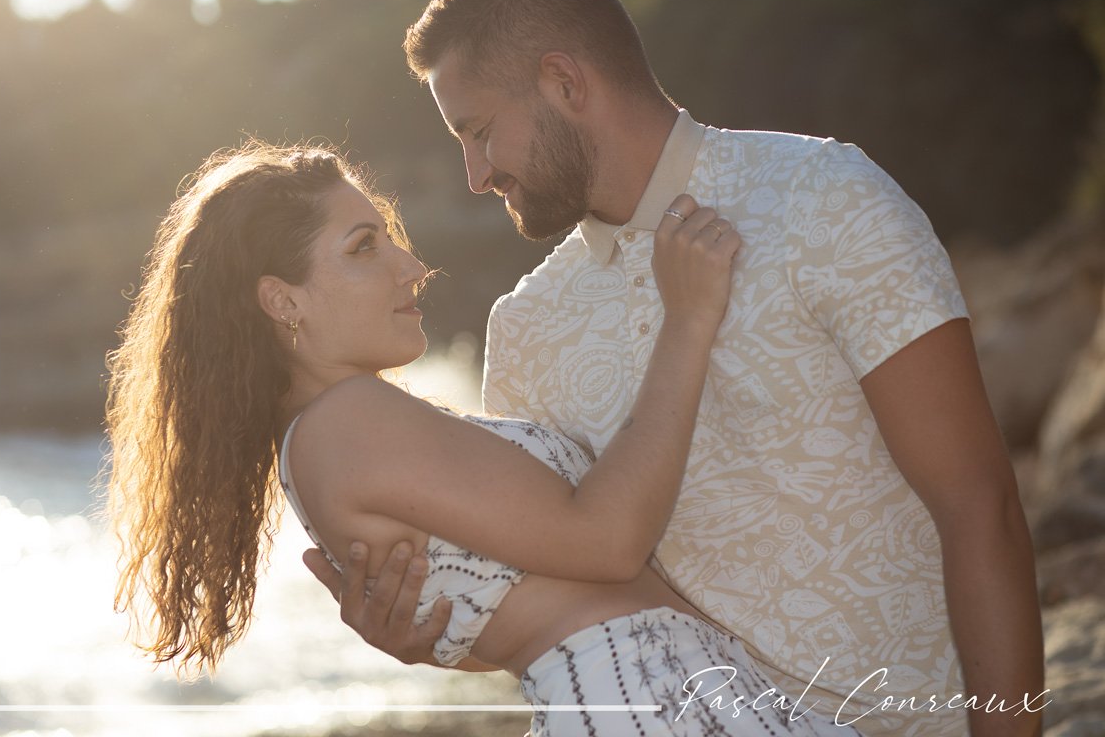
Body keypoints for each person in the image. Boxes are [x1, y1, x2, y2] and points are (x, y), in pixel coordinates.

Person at [303, 0, 1046, 736]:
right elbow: (581, 602)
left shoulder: (824, 200)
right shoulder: (526, 327)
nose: (475, 175)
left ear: (564, 82)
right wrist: (434, 634)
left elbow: (979, 505)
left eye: (480, 131)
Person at [105, 140, 863, 735]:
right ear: (283, 300)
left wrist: (431, 643)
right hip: (650, 702)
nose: (412, 266)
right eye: (365, 247)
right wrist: (688, 320)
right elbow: (606, 544)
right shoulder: (347, 423)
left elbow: (517, 612)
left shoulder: (325, 442)